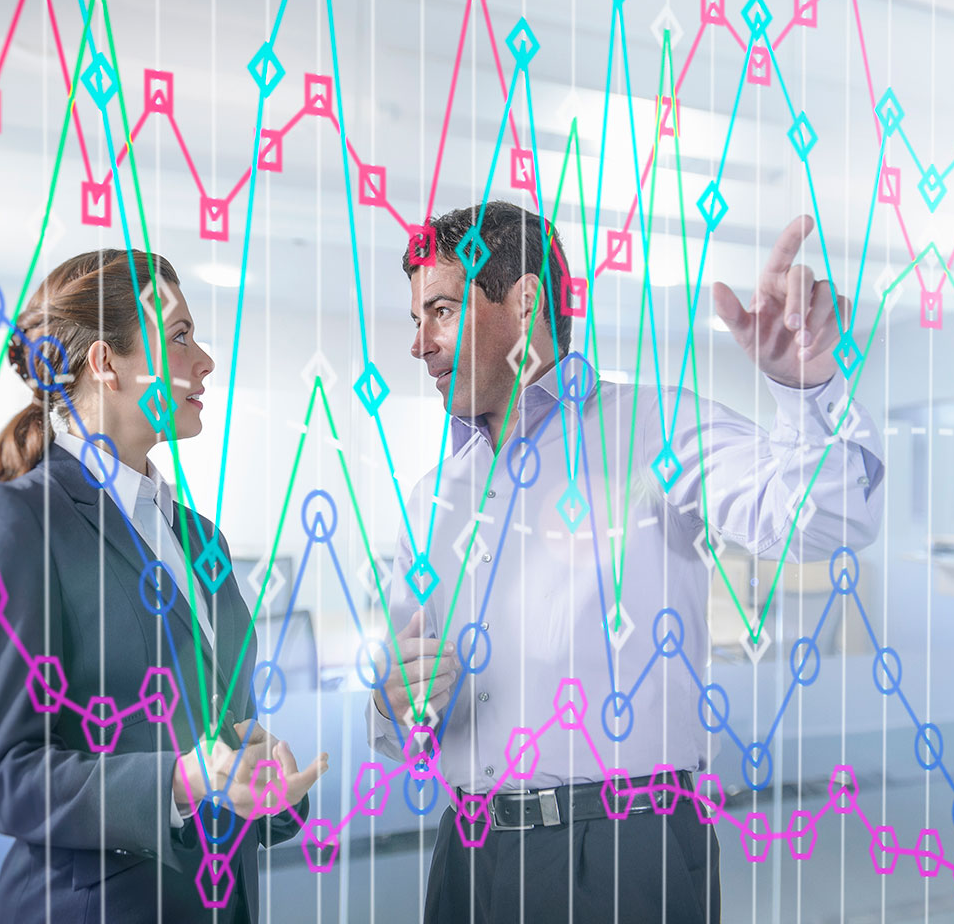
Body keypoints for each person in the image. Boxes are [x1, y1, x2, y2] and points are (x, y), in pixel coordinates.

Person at [367, 201, 885, 922]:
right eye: (416, 320)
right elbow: (405, 692)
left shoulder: (652, 428)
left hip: (620, 852)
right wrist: (392, 707)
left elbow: (828, 520)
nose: (419, 344)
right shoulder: (432, 496)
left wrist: (806, 389)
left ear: (524, 303)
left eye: (442, 311)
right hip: (469, 854)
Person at [0, 249, 328, 923]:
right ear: (105, 363)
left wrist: (263, 786)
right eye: (179, 337)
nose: (204, 360)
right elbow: (7, 777)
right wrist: (180, 781)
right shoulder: (16, 524)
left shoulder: (199, 537)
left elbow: (220, 733)